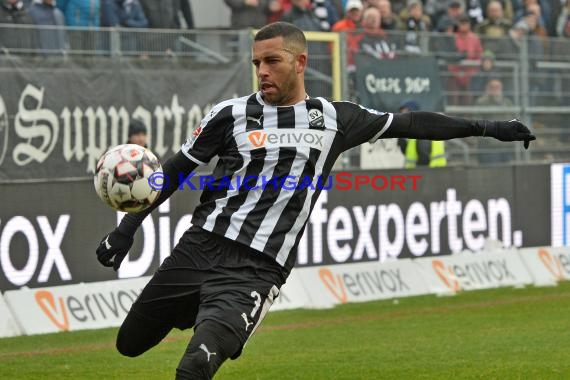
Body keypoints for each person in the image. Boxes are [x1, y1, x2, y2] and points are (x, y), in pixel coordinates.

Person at [96, 21, 535, 380]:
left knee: (194, 368)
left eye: (272, 61)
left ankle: (223, 317)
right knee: (129, 345)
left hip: (257, 267)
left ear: (300, 62)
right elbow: (172, 172)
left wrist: (488, 126)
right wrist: (127, 227)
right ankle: (204, 308)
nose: (262, 71)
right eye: (256, 63)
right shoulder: (229, 115)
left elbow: (413, 122)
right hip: (199, 248)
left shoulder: (336, 119)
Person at [397, 100, 447, 168]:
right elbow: (410, 154)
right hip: (424, 173)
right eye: (402, 114)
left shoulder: (422, 130)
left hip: (430, 173)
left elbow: (424, 157)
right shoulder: (413, 132)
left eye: (406, 114)